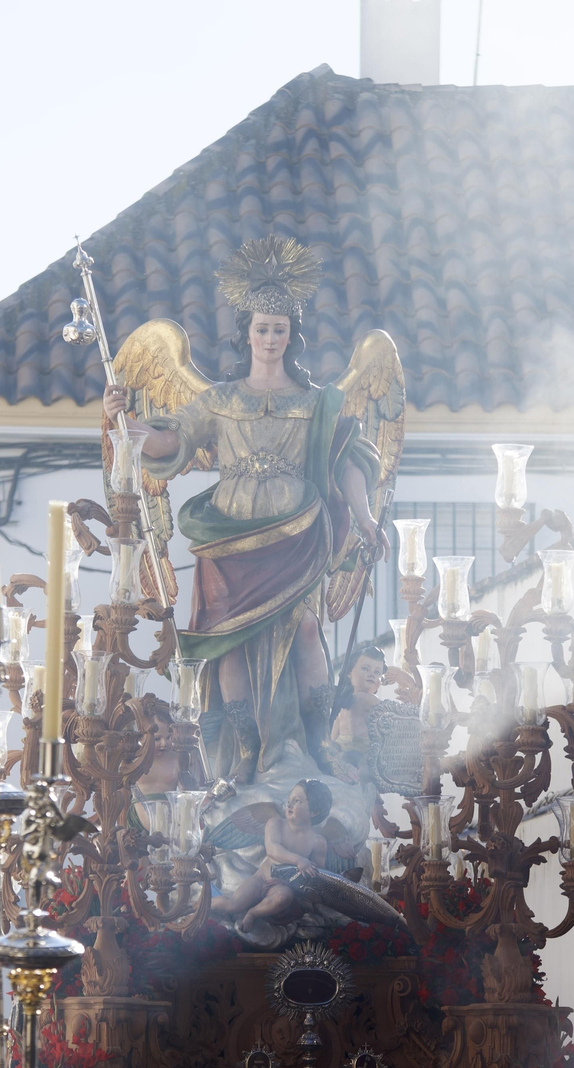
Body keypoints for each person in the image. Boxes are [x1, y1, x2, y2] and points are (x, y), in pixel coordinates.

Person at [103, 237, 387, 784]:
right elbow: (171, 441)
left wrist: (367, 516)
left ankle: (317, 743)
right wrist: (128, 425)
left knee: (308, 632)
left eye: (280, 329)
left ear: (291, 335)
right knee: (229, 644)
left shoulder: (316, 403)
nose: (271, 338)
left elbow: (349, 462)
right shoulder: (219, 400)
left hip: (300, 535)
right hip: (230, 538)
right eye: (262, 328)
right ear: (247, 332)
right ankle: (244, 752)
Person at [207, 779, 333, 932]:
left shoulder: (318, 842)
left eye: (297, 801)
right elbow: (273, 849)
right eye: (289, 800)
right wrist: (299, 860)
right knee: (233, 904)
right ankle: (200, 906)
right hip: (261, 879)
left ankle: (253, 913)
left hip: (282, 886)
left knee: (283, 897)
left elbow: (319, 873)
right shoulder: (276, 824)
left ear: (314, 811)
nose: (289, 805)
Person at [319, 644, 387, 784]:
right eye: (365, 668)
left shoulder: (343, 703)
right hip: (358, 751)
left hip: (343, 750)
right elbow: (390, 713)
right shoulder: (368, 699)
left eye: (377, 672)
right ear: (349, 673)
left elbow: (333, 737)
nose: (371, 675)